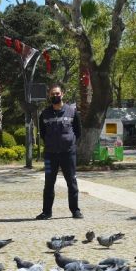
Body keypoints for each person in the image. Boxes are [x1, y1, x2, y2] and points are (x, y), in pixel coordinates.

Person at [37, 84, 83, 220]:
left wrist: (69, 143)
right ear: (49, 96)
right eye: (52, 94)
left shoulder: (72, 112)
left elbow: (78, 132)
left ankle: (75, 211)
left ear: (62, 94)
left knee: (72, 182)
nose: (55, 96)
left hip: (68, 154)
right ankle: (46, 212)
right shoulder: (44, 114)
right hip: (50, 155)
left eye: (57, 93)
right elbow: (43, 133)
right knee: (49, 183)